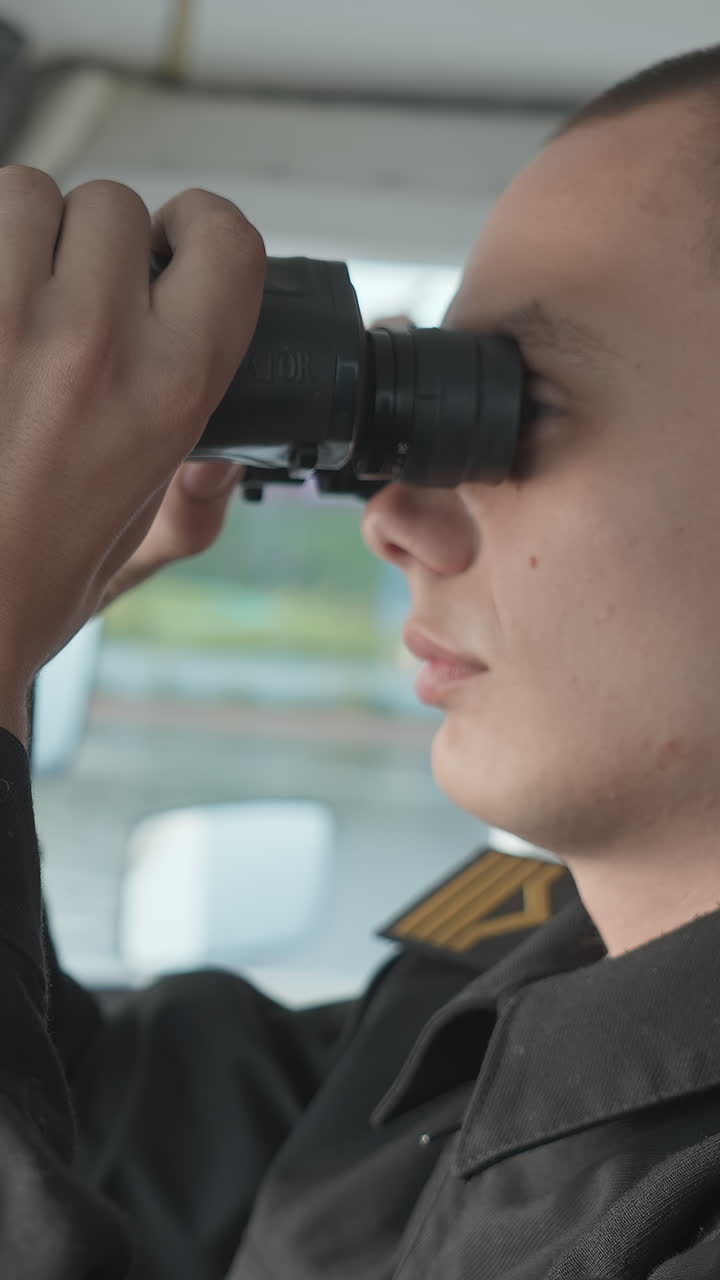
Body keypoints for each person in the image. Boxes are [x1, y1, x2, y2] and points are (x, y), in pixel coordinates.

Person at [2, 39, 720, 1280]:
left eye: (521, 401)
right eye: (427, 394)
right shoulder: (514, 970)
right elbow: (116, 1137)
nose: (394, 514)